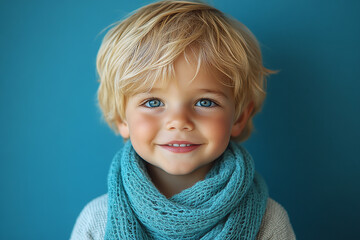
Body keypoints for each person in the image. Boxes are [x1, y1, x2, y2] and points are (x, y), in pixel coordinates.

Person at [70, 0, 296, 239]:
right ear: (121, 119)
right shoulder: (97, 220)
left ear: (240, 117)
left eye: (205, 102)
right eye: (153, 102)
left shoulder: (268, 221)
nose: (179, 121)